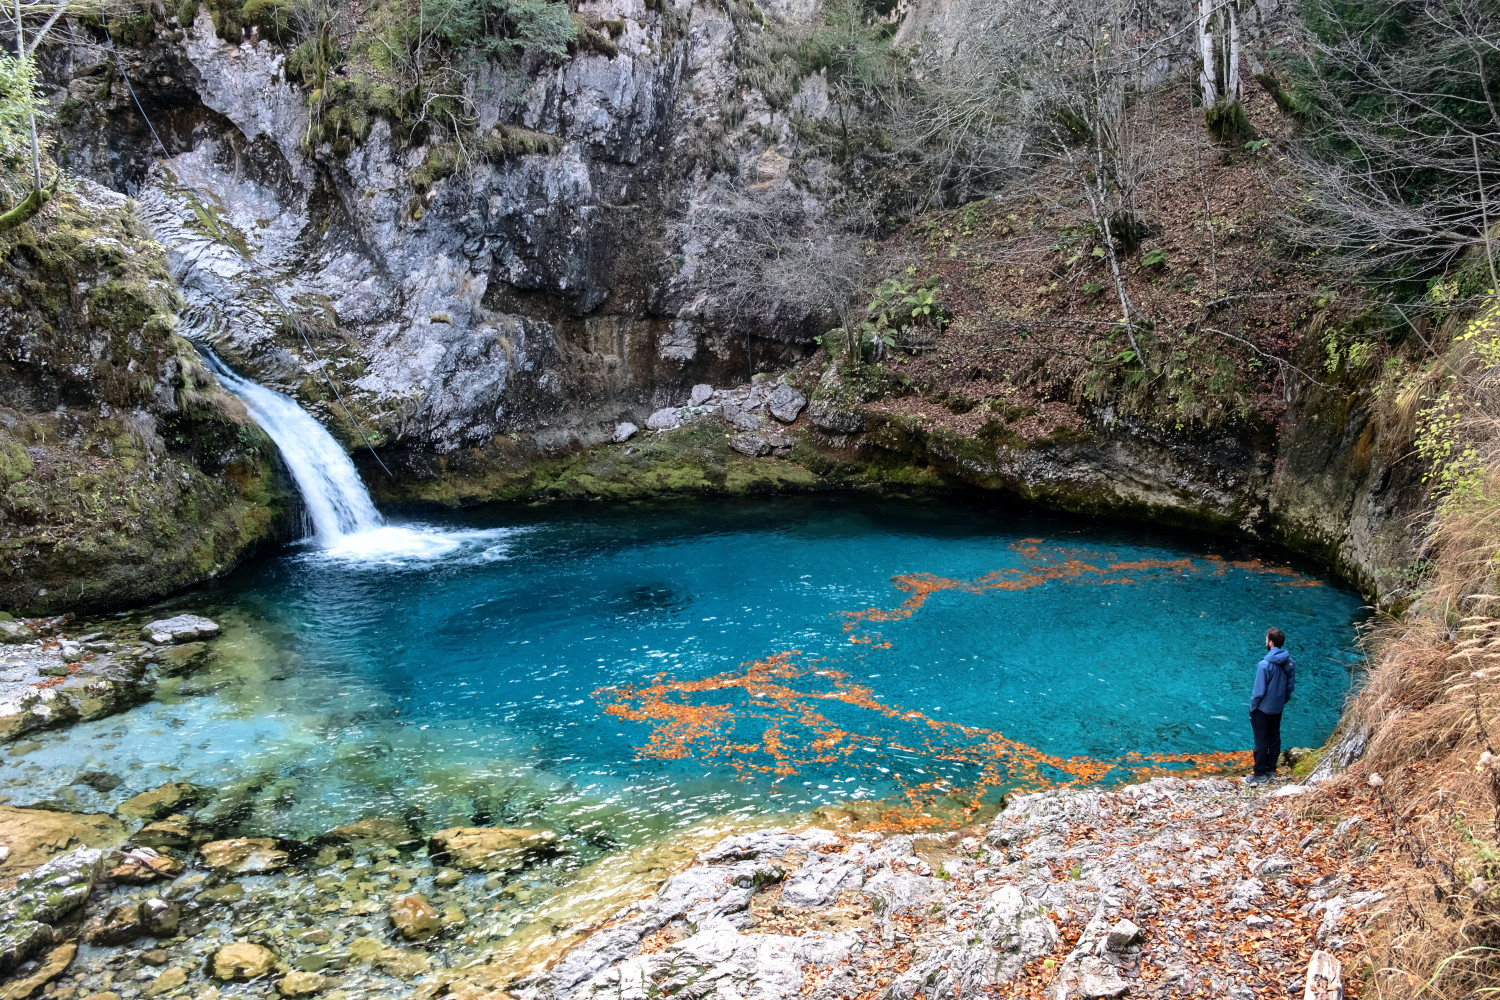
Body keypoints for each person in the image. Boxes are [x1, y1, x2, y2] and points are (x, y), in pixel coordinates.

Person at [1246, 627, 1295, 785]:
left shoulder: (1264, 664)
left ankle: (1259, 774)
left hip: (1262, 708)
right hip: (1278, 707)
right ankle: (1270, 770)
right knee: (1274, 738)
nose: (1265, 641)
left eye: (1266, 639)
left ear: (1271, 642)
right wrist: (1281, 702)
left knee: (1260, 740)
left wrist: (1253, 707)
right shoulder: (1290, 662)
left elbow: (1259, 691)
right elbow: (1289, 688)